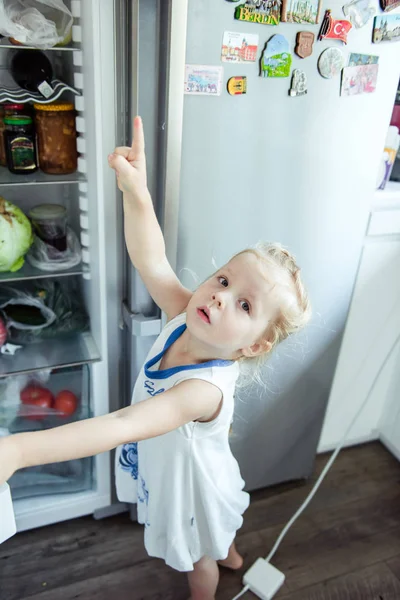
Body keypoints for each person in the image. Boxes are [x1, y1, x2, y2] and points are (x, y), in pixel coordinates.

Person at [0, 117, 311, 600]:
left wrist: (19, 451)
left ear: (253, 346)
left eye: (245, 305)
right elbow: (152, 260)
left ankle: (210, 581)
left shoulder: (200, 391)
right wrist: (136, 191)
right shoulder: (185, 315)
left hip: (194, 487)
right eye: (224, 280)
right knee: (218, 537)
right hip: (176, 469)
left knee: (198, 558)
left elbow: (125, 422)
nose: (221, 296)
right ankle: (231, 553)